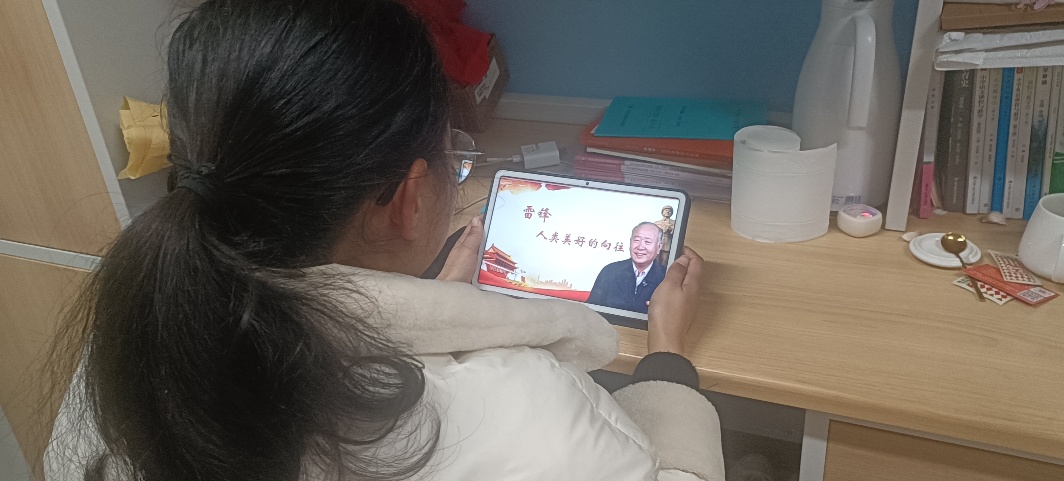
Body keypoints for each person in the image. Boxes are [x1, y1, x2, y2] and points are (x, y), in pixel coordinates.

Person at [43, 1, 725, 480]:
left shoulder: (135, 339)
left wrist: (440, 309)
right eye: (456, 156)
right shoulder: (527, 408)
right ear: (408, 198)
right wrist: (667, 360)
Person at [586, 222, 668, 314]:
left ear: (659, 247)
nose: (640, 247)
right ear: (630, 242)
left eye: (647, 242)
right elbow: (590, 311)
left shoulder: (666, 278)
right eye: (636, 240)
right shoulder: (610, 271)